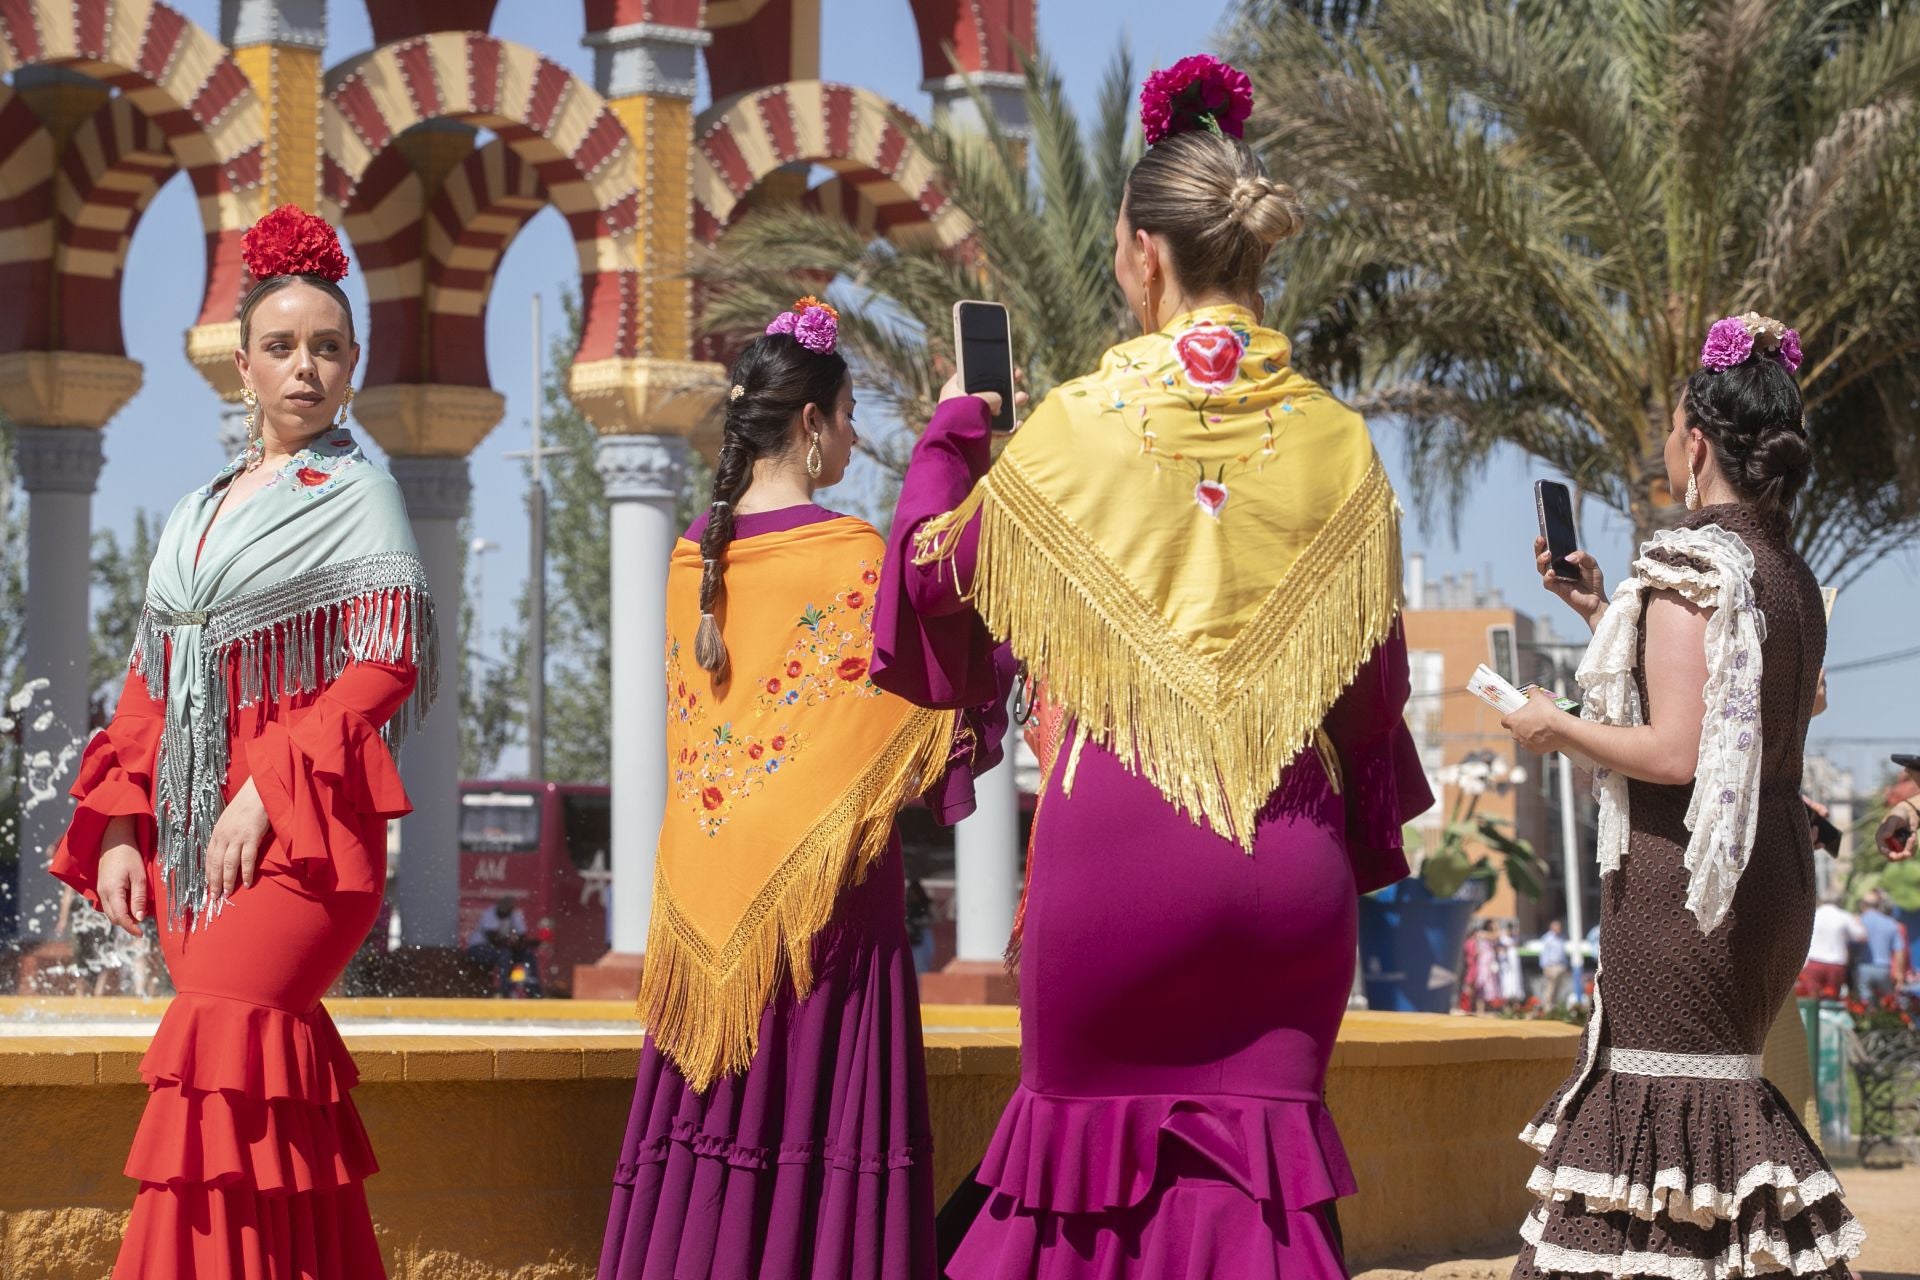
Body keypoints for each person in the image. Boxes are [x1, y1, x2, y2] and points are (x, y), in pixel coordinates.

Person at [873, 55, 1432, 1278]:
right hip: (1288, 865)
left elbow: (930, 583)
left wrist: (951, 434)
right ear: (1252, 254)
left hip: (1117, 866)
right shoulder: (1340, 446)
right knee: (1265, 1200)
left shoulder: (1074, 425)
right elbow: (1375, 696)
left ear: (1139, 252)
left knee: (1074, 1198)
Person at [47, 205, 434, 1278]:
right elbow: (149, 681)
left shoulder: (364, 495)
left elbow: (384, 663)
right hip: (188, 840)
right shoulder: (196, 512)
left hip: (300, 838)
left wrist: (264, 789)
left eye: (325, 348)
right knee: (252, 1096)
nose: (304, 367)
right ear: (242, 365)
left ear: (353, 365)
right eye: (281, 347)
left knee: (227, 1032)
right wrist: (122, 823)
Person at [597, 300, 1003, 1280]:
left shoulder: (694, 556)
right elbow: (935, 688)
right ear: (813, 423)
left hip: (707, 895)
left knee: (709, 1146)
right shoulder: (853, 556)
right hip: (828, 907)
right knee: (820, 1150)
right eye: (852, 412)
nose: (859, 437)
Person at [1500, 311, 1862, 1274]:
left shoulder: (1691, 561)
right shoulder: (1783, 571)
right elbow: (1735, 715)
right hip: (1774, 877)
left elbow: (1674, 750)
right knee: (1719, 1103)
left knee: (1661, 1116)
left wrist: (1552, 725)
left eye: (1671, 428)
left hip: (1683, 895)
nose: (1665, 445)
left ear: (1697, 443)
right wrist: (1598, 611)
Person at [1800, 895, 1864, 999]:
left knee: (1812, 998)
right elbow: (1861, 936)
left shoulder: (1813, 914)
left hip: (1813, 961)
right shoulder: (1844, 916)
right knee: (1832, 998)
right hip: (1836, 962)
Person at [466, 895, 529, 992]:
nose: (503, 914)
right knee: (505, 955)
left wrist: (520, 945)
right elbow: (493, 938)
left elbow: (522, 935)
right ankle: (505, 991)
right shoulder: (490, 913)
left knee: (528, 956)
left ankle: (534, 991)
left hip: (499, 949)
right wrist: (511, 944)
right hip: (478, 948)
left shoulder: (514, 914)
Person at [1535, 920, 1571, 1009]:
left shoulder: (1561, 938)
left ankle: (1553, 1006)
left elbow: (1562, 953)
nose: (1559, 929)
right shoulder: (1548, 938)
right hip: (1551, 966)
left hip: (1560, 966)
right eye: (1557, 927)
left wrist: (1566, 965)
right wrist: (1545, 967)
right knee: (1550, 988)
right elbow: (1544, 954)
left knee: (1558, 988)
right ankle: (1546, 1007)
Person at [1499, 922, 1527, 1006]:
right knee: (1507, 983)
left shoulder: (1515, 938)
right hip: (1506, 966)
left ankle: (1516, 1004)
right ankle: (1506, 1004)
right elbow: (1500, 950)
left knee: (1516, 983)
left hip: (1515, 965)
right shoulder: (1502, 938)